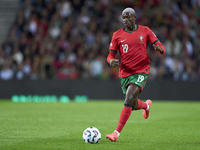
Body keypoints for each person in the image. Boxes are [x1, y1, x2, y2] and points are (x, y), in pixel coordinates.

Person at [105, 7, 165, 142]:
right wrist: (110, 61)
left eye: (128, 17)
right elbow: (110, 55)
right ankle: (146, 105)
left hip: (141, 70)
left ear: (134, 17)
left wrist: (160, 49)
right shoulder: (117, 35)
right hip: (125, 73)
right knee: (131, 104)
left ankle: (116, 133)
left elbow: (160, 46)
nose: (125, 20)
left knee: (128, 98)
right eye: (123, 18)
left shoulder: (145, 30)